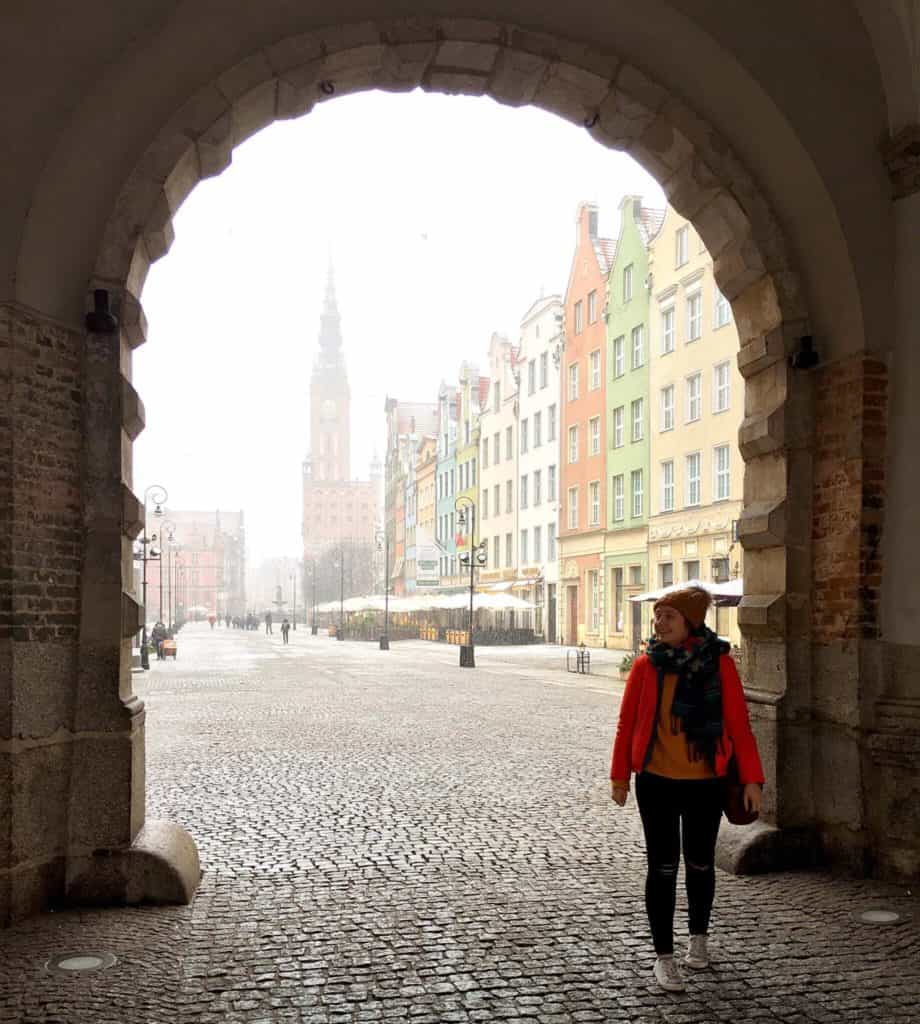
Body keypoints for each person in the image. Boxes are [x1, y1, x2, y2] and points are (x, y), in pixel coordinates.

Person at [610, 586, 764, 994]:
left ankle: (699, 938)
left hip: (706, 784)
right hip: (656, 782)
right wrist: (620, 776)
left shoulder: (721, 667)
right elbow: (627, 724)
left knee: (699, 863)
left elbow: (739, 726)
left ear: (690, 622)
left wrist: (752, 779)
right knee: (662, 867)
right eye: (658, 616)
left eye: (669, 617)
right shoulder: (646, 666)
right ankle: (664, 956)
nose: (659, 623)